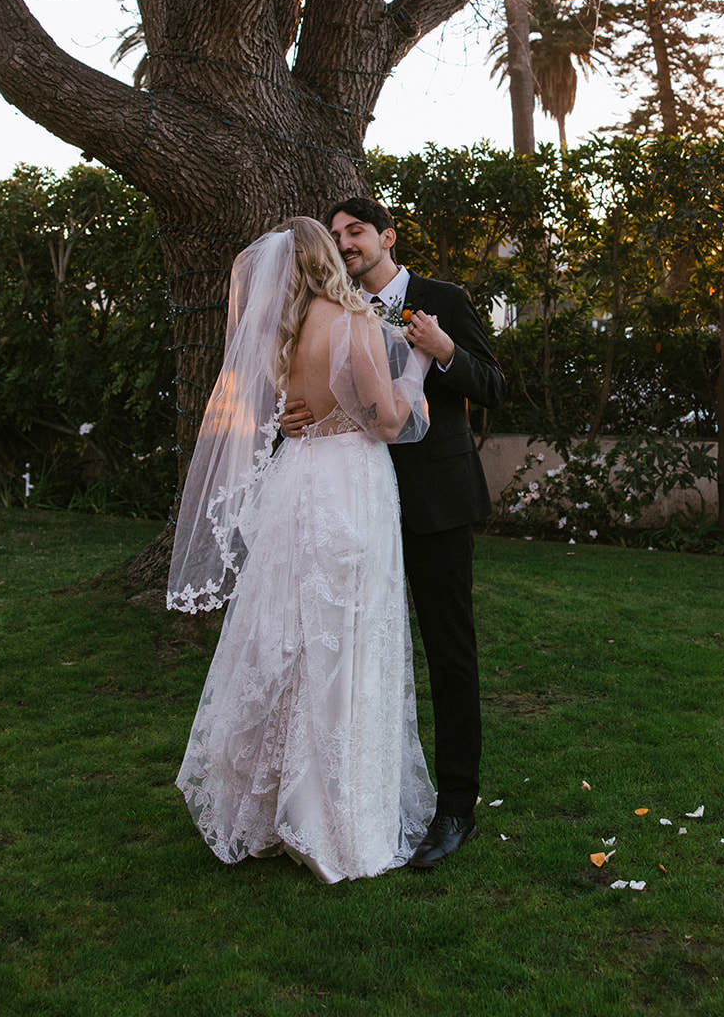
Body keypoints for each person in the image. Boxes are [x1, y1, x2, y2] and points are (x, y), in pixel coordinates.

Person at [166, 217, 436, 883]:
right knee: (345, 639)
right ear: (326, 261)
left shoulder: (278, 336)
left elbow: (291, 409)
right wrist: (420, 366)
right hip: (349, 486)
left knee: (291, 639)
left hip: (297, 483)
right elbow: (390, 422)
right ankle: (330, 819)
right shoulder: (352, 322)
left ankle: (266, 809)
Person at [281, 197, 505, 871]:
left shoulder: (442, 298)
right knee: (356, 649)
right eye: (339, 234)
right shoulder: (327, 306)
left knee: (448, 649)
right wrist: (297, 420)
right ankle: (367, 799)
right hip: (351, 503)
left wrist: (441, 353)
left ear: (387, 237)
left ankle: (455, 807)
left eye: (357, 232)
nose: (347, 243)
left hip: (435, 500)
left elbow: (492, 384)